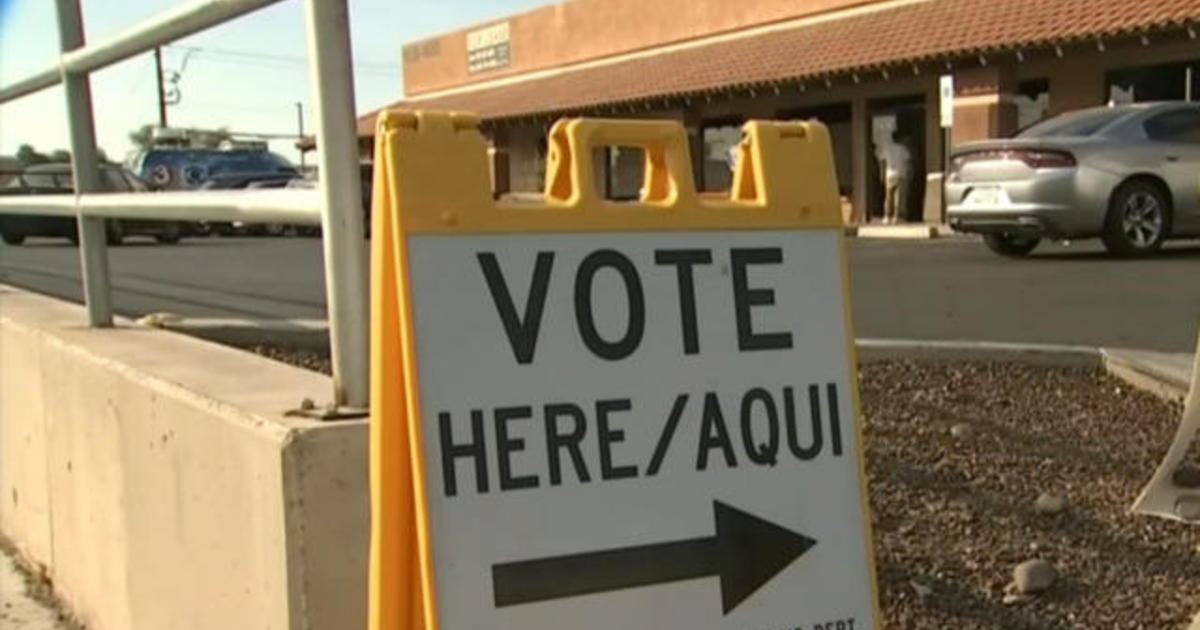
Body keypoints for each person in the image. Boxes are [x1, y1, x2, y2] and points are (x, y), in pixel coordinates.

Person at [882, 131, 912, 224]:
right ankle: (897, 216)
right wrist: (910, 173)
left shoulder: (887, 149)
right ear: (900, 139)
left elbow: (883, 162)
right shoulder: (903, 149)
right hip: (901, 174)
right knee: (899, 197)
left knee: (888, 196)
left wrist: (882, 173)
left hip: (889, 174)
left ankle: (887, 216)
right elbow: (908, 162)